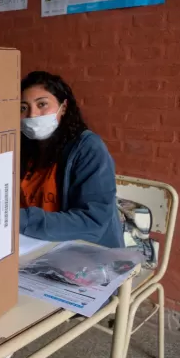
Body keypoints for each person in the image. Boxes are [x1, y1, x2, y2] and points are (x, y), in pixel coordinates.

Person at [19, 71, 123, 248]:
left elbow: (92, 221)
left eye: (42, 104)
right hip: (33, 244)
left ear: (64, 107)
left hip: (86, 253)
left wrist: (18, 220)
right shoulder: (23, 148)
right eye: (23, 108)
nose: (32, 115)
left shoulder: (88, 148)